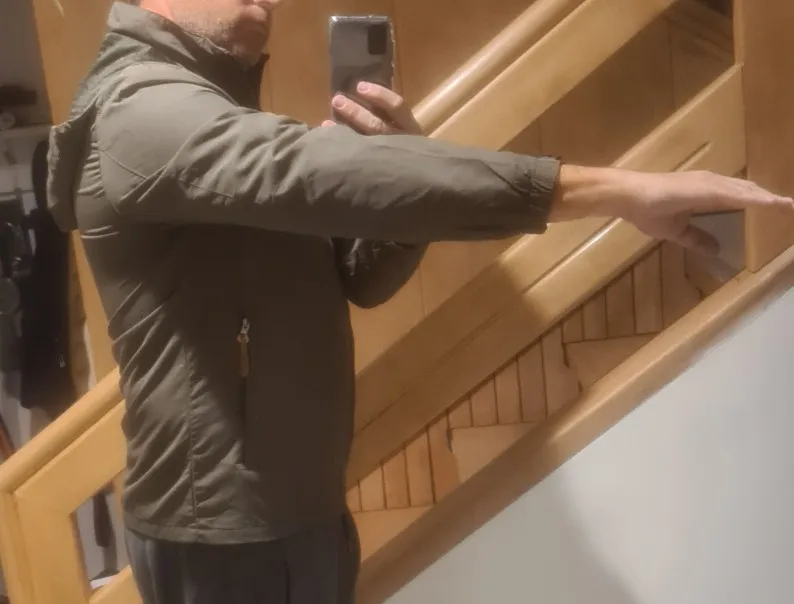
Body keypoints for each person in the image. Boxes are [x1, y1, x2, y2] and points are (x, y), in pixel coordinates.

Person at [46, 1, 792, 603]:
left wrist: (401, 165)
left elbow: (359, 279)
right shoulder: (140, 111)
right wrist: (623, 191)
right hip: (227, 535)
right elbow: (307, 169)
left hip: (294, 515)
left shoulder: (214, 115)